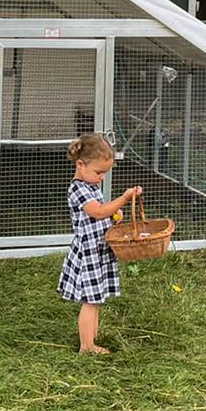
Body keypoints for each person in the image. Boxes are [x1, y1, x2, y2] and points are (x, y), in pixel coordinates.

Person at [58, 133, 140, 355]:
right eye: (99, 172)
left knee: (95, 298)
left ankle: (92, 337)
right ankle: (87, 346)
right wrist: (122, 199)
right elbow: (97, 211)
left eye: (105, 173)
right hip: (89, 252)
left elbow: (104, 213)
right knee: (90, 300)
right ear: (81, 164)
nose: (102, 177)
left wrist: (116, 216)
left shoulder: (91, 185)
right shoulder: (78, 189)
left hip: (99, 248)